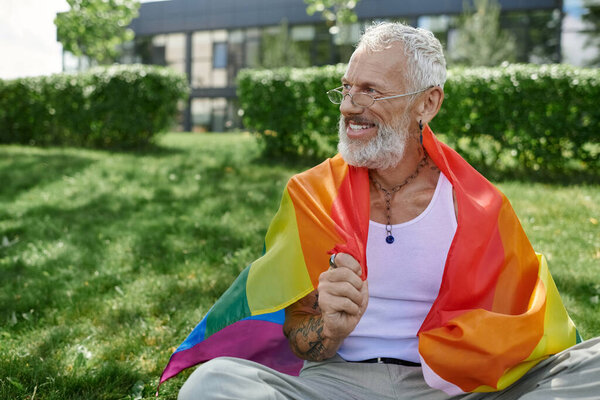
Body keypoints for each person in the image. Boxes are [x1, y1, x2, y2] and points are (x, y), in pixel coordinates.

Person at [172, 22, 600, 399]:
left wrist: (473, 350)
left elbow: (520, 324)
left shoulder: (477, 205)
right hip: (337, 382)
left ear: (427, 104)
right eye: (347, 87)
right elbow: (302, 340)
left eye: (371, 91)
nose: (347, 106)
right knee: (213, 384)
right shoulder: (312, 194)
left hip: (451, 386)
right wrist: (330, 328)